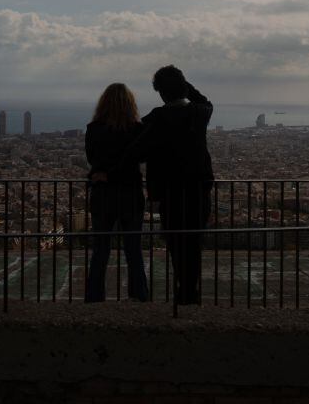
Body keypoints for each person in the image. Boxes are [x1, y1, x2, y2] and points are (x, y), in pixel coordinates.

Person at [123, 66, 214, 305]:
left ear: (161, 93)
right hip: (198, 189)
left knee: (176, 242)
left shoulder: (157, 119)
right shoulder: (200, 113)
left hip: (170, 191)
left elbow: (135, 151)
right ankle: (189, 294)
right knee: (193, 243)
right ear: (183, 88)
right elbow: (205, 101)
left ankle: (182, 293)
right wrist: (184, 84)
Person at [83, 83, 149, 303]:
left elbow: (93, 159)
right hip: (131, 193)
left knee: (100, 251)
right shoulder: (137, 130)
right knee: (134, 251)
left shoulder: (93, 129)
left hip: (103, 195)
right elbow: (139, 159)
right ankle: (139, 299)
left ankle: (94, 300)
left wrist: (106, 175)